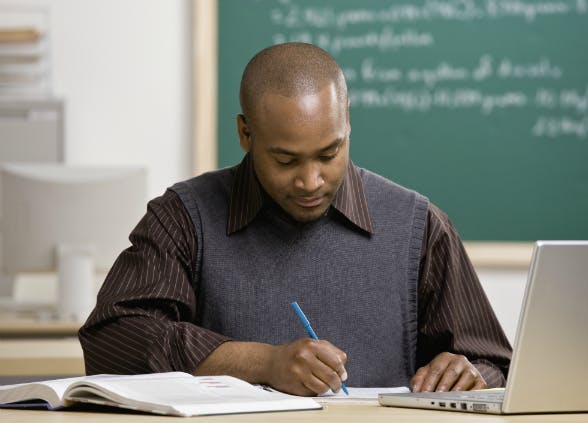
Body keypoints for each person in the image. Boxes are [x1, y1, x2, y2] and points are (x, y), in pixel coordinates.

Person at [79, 42, 511, 396]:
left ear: (347, 126)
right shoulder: (183, 217)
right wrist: (263, 363)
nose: (311, 181)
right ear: (245, 134)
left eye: (329, 154)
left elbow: (497, 364)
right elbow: (112, 339)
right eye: (286, 160)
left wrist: (469, 374)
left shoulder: (420, 227)